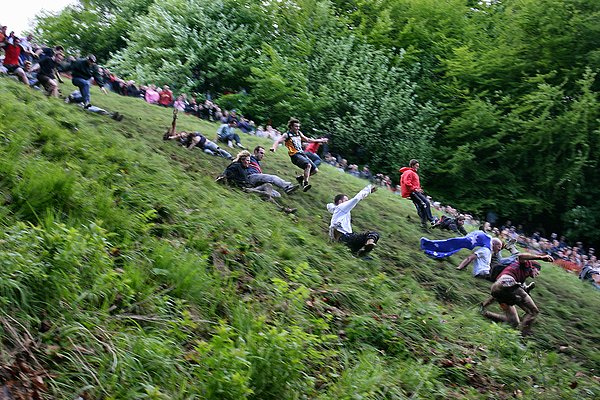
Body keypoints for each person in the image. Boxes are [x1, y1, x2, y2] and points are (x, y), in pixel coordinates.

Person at [480, 253, 554, 336]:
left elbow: (495, 294)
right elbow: (521, 256)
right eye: (538, 270)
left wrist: (483, 305)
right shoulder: (526, 265)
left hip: (498, 289)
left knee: (514, 322)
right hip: (508, 283)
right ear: (533, 267)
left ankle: (484, 313)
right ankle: (521, 336)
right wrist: (541, 257)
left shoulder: (518, 273)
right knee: (534, 311)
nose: (538, 273)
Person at [219, 151, 297, 214]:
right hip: (244, 189)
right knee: (266, 193)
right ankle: (284, 209)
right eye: (247, 160)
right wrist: (222, 179)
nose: (248, 163)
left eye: (249, 161)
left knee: (268, 186)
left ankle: (278, 205)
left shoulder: (244, 168)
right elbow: (226, 172)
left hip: (251, 187)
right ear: (242, 160)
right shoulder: (236, 165)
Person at [270, 118, 328, 192]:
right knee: (308, 165)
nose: (298, 128)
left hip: (302, 154)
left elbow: (307, 140)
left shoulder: (299, 133)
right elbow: (278, 141)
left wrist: (320, 140)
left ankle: (301, 178)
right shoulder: (287, 134)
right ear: (291, 126)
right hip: (295, 155)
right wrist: (273, 147)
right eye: (296, 126)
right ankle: (305, 184)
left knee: (315, 170)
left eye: (298, 126)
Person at [327, 185, 380, 258]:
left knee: (358, 254)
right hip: (346, 238)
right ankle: (368, 246)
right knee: (373, 234)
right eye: (346, 200)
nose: (348, 202)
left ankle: (359, 252)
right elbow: (356, 198)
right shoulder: (341, 207)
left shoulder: (339, 212)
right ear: (340, 201)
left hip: (343, 240)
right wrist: (368, 189)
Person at [399, 159, 437, 228]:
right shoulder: (409, 172)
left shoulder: (413, 173)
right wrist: (415, 189)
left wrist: (418, 189)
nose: (417, 167)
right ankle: (431, 220)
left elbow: (413, 183)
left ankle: (424, 222)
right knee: (425, 204)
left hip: (414, 191)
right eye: (416, 166)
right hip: (412, 192)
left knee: (422, 206)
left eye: (418, 166)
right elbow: (407, 182)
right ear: (412, 165)